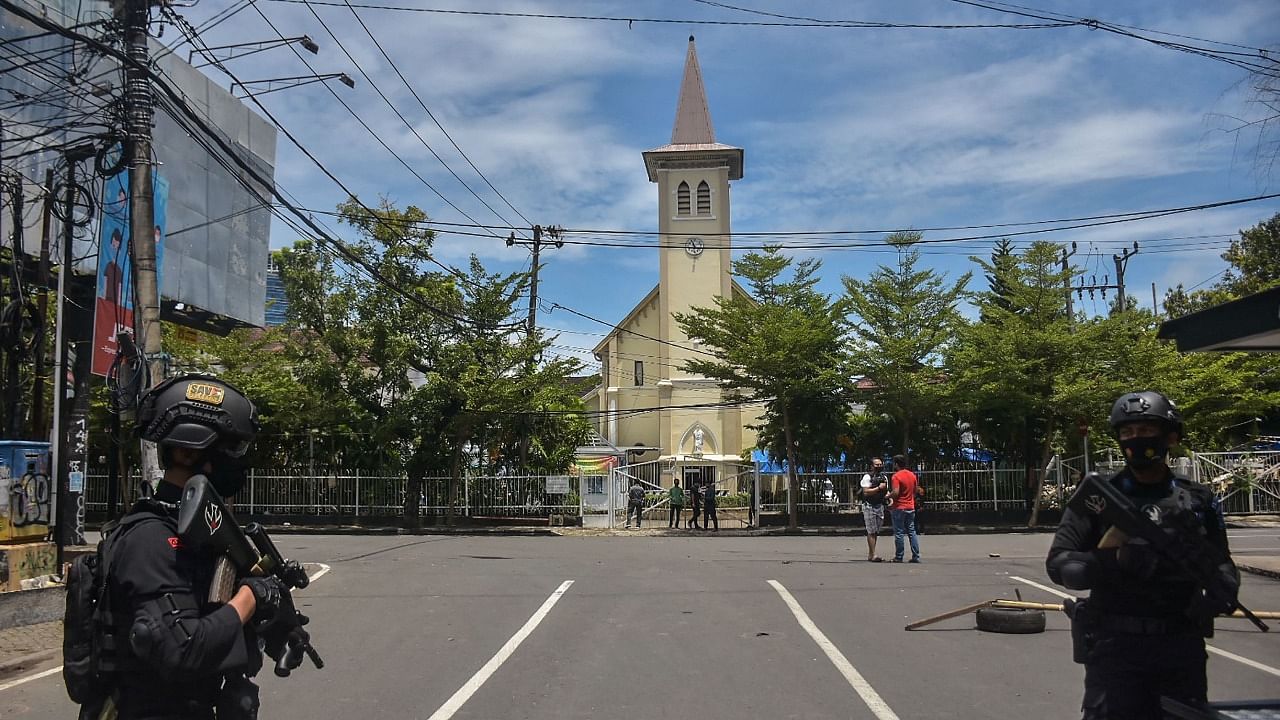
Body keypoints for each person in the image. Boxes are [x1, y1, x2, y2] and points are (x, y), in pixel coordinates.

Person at [96, 374, 289, 719]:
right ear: (186, 451)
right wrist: (250, 597)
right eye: (230, 448)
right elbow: (182, 649)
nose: (237, 462)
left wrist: (275, 624)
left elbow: (215, 616)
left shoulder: (200, 534)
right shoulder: (151, 539)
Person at [1046, 391, 1240, 720]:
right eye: (1127, 433)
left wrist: (1224, 587)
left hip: (1180, 647)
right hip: (1116, 650)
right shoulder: (1100, 498)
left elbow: (1221, 559)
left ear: (1171, 437)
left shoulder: (1196, 500)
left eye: (1146, 431)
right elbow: (1060, 564)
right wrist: (1115, 561)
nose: (1136, 440)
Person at [889, 454, 921, 563]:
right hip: (910, 506)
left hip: (899, 507)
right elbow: (915, 490)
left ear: (896, 464)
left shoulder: (896, 476)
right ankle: (916, 556)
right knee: (912, 531)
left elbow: (896, 492)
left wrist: (888, 496)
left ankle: (899, 556)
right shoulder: (912, 475)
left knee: (899, 532)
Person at [858, 457, 890, 562]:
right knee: (871, 531)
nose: (879, 466)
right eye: (877, 464)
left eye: (880, 464)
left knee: (876, 531)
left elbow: (886, 491)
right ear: (872, 466)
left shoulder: (884, 477)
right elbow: (866, 492)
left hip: (879, 505)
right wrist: (878, 488)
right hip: (869, 506)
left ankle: (871, 554)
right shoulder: (867, 477)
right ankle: (873, 555)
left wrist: (890, 499)